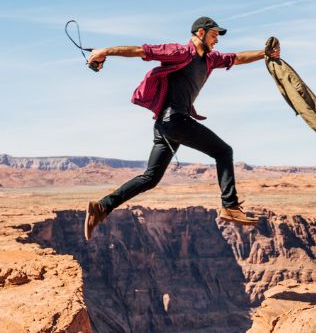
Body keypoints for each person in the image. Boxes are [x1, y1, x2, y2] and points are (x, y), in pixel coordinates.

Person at [84, 16, 280, 240]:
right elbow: (140, 51)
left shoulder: (210, 59)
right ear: (200, 33)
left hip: (165, 126)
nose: (217, 40)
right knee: (223, 151)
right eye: (214, 35)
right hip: (174, 121)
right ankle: (230, 205)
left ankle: (101, 208)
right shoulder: (179, 52)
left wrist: (265, 54)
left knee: (150, 178)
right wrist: (104, 51)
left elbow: (237, 58)